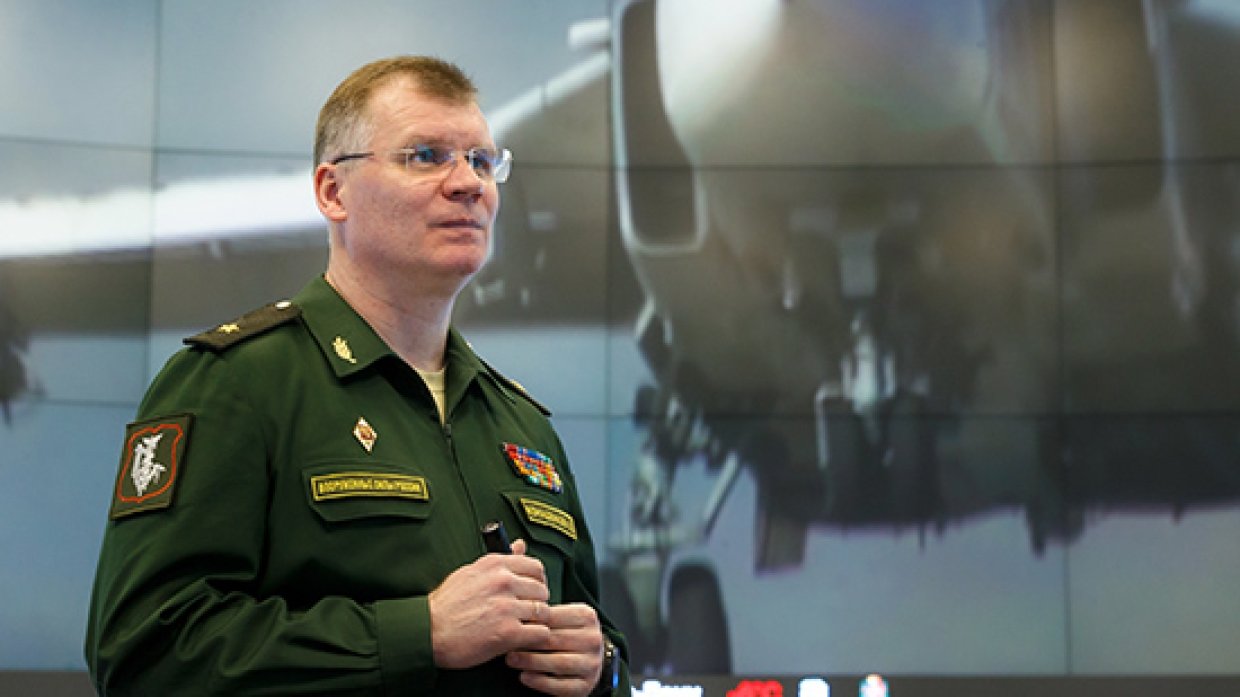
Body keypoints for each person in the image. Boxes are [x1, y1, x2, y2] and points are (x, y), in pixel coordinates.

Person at [85, 55, 628, 697]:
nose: (468, 183)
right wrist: (418, 634)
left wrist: (600, 667)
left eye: (483, 162)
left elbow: (603, 641)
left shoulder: (521, 422)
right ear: (332, 192)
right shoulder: (237, 383)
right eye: (426, 156)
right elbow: (144, 651)